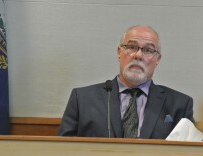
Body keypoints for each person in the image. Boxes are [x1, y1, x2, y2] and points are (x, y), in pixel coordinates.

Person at [58, 25, 194, 139]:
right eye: (131, 47)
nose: (138, 55)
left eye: (148, 50)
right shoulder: (82, 99)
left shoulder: (180, 104)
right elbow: (62, 149)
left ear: (157, 59)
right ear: (119, 52)